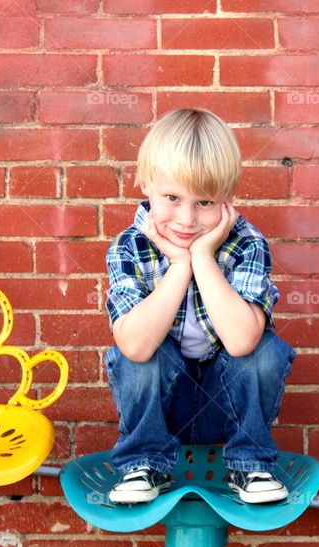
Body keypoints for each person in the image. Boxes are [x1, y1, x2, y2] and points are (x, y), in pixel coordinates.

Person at [103, 108, 295, 505]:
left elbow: (242, 341)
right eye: (172, 198)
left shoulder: (246, 243)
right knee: (137, 356)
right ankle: (143, 463)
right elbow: (135, 347)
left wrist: (204, 258)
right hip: (162, 409)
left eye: (205, 202)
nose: (187, 219)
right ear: (144, 184)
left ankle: (250, 464)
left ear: (228, 198)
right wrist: (178, 265)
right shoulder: (130, 247)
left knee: (265, 351)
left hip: (225, 404)